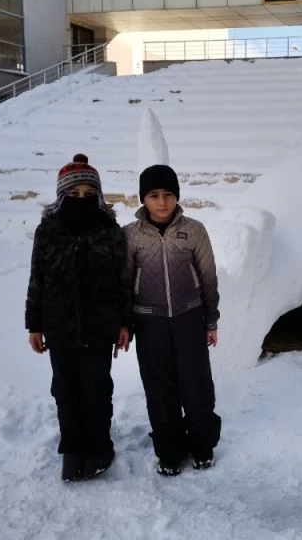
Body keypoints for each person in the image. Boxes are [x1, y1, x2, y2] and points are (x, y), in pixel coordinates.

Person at [25, 154, 131, 482]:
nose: (81, 199)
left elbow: (123, 280)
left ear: (98, 195)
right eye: (74, 194)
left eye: (88, 193)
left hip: (101, 327)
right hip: (59, 327)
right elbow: (37, 278)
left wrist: (125, 322)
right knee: (66, 390)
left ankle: (99, 447)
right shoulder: (48, 230)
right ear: (62, 196)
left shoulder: (110, 230)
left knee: (97, 388)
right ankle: (72, 451)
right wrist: (35, 324)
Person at [124, 164, 221, 476]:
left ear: (176, 196)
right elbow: (123, 282)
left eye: (167, 194)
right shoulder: (131, 235)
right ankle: (169, 451)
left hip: (189, 318)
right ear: (144, 199)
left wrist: (211, 320)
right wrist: (124, 323)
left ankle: (203, 446)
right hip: (149, 322)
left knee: (197, 386)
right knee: (159, 389)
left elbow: (208, 277)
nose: (162, 202)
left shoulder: (194, 230)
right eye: (153, 195)